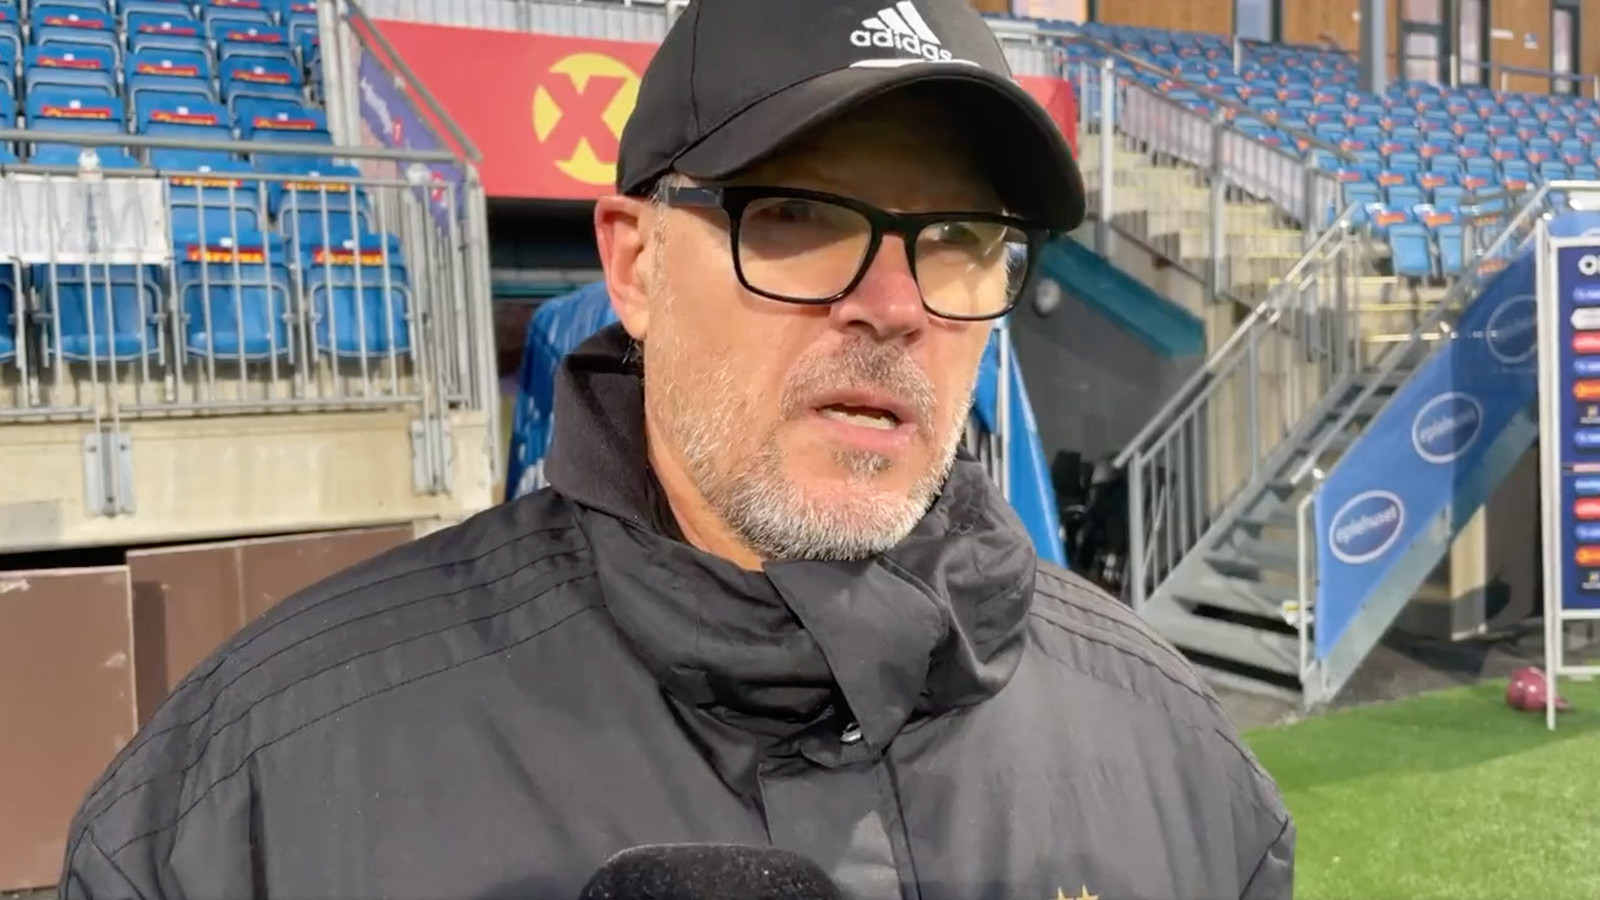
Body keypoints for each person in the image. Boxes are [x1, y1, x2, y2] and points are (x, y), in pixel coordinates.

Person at [61, 0, 1295, 897]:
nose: (894, 304)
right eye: (798, 215)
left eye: (963, 235)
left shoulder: (1179, 759)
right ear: (635, 264)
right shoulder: (254, 788)